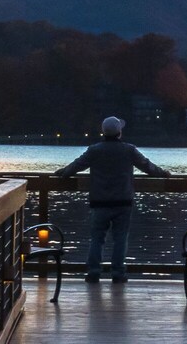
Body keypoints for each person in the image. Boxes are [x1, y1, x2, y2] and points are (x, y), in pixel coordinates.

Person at [55, 116, 171, 283]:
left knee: (97, 239)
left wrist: (63, 173)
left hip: (99, 201)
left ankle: (93, 272)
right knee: (120, 239)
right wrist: (163, 173)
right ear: (119, 132)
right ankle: (118, 273)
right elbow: (147, 166)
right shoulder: (129, 150)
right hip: (123, 201)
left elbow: (77, 165)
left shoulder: (94, 150)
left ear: (103, 132)